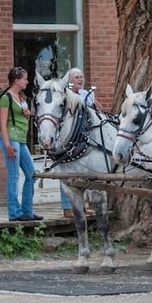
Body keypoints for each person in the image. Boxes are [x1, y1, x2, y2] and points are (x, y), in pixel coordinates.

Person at [0, 66, 41, 222]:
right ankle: (14, 212)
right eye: (24, 79)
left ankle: (27, 211)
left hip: (21, 139)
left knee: (32, 174)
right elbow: (3, 123)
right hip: (11, 138)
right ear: (16, 80)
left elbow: (22, 118)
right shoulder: (6, 98)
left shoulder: (21, 97)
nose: (27, 82)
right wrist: (7, 145)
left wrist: (27, 114)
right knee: (14, 175)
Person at [60, 67, 96, 219]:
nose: (80, 79)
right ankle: (67, 207)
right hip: (69, 139)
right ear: (69, 80)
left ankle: (83, 206)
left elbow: (96, 109)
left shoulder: (85, 94)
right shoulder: (65, 95)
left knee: (83, 172)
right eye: (76, 77)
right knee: (65, 172)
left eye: (81, 77)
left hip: (83, 138)